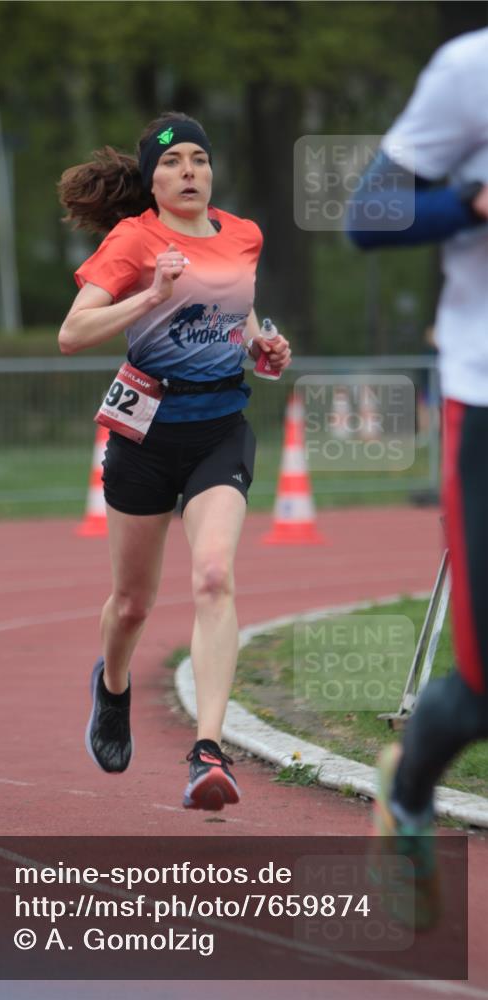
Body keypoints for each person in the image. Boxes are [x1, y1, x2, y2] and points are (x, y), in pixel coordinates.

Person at [57, 111, 291, 811]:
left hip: (218, 430)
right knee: (131, 605)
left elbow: (239, 315)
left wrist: (264, 348)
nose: (188, 170)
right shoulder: (133, 240)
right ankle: (113, 687)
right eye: (172, 162)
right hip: (144, 439)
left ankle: (207, 752)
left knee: (214, 576)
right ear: (152, 180)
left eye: (198, 158)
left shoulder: (242, 233)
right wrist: (150, 295)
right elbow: (71, 334)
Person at [346, 28, 488, 925]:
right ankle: (406, 785)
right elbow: (369, 216)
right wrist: (473, 204)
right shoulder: (470, 69)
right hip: (485, 398)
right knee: (482, 679)